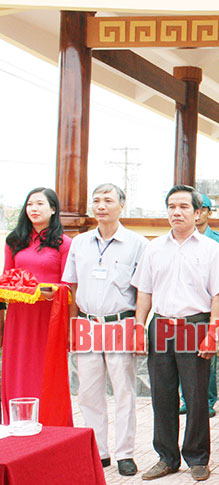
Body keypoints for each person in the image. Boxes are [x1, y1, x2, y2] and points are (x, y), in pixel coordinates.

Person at [132, 185, 219, 481]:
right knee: (162, 396)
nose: (176, 212)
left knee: (196, 396)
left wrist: (213, 333)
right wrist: (139, 327)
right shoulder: (154, 247)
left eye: (183, 207)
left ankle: (197, 457)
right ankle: (166, 457)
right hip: (161, 325)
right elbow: (144, 291)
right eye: (171, 207)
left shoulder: (211, 250)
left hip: (196, 325)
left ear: (198, 212)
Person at [62, 183, 148, 476]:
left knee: (124, 391)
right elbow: (72, 287)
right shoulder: (80, 243)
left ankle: (125, 453)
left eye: (108, 200)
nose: (101, 205)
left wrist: (139, 327)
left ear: (122, 205)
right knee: (88, 392)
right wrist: (73, 325)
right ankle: (98, 451)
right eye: (96, 200)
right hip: (86, 324)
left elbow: (144, 290)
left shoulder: (137, 244)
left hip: (120, 323)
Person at [1, 187, 71, 423]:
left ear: (53, 209)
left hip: (49, 317)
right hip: (19, 316)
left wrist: (51, 291)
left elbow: (68, 286)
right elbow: (7, 278)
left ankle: (50, 424)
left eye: (40, 204)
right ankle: (17, 423)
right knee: (18, 367)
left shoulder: (64, 243)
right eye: (30, 204)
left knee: (46, 370)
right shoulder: (14, 241)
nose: (33, 209)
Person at [186, 192, 219, 418]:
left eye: (203, 209)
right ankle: (186, 399)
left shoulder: (218, 241)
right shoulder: (180, 238)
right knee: (183, 358)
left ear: (208, 213)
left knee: (207, 359)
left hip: (207, 307)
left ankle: (208, 400)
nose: (199, 213)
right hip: (185, 306)